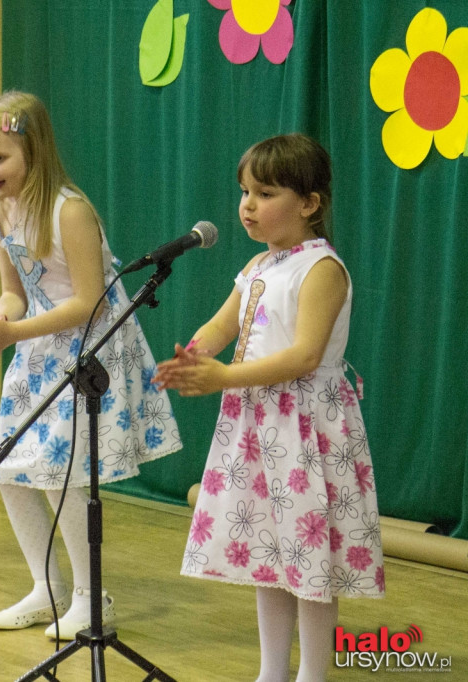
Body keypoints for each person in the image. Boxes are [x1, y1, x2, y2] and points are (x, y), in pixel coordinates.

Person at [154, 134, 384, 681]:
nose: (248, 205)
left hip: (306, 426)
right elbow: (224, 322)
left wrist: (224, 376)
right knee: (269, 550)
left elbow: (304, 355)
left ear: (309, 203)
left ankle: (313, 675)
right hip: (258, 424)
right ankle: (272, 671)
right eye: (244, 192)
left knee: (310, 559)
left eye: (265, 192)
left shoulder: (322, 268)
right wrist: (196, 353)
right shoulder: (258, 264)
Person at [0, 91, 182, 639]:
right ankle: (47, 587)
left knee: (68, 477)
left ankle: (91, 596)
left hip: (90, 351)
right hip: (38, 349)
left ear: (32, 153)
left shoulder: (70, 211)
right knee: (10, 470)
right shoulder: (0, 213)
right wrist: (0, 325)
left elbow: (90, 301)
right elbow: (13, 291)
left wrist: (15, 330)